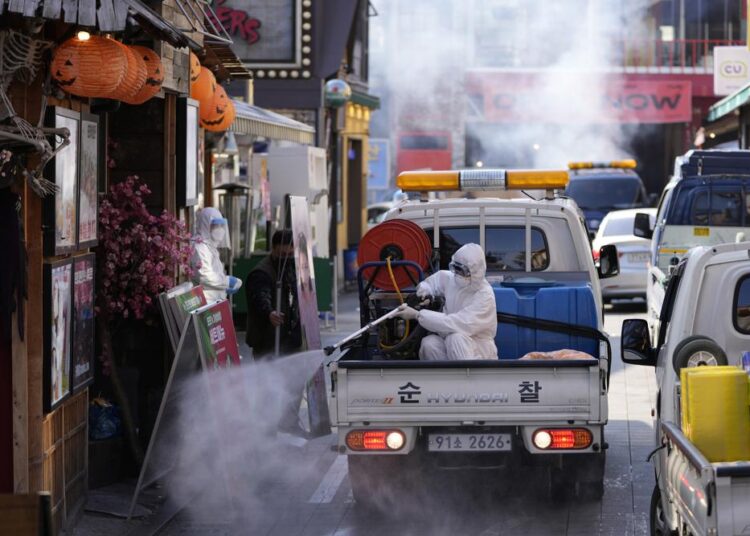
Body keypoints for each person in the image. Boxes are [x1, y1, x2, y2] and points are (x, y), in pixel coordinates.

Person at [396, 243, 498, 360]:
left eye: (462, 271)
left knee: (456, 338)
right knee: (429, 344)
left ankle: (468, 377)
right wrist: (425, 292)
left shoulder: (484, 295)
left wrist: (418, 315)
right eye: (456, 269)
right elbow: (431, 283)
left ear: (475, 272)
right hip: (450, 338)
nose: (458, 274)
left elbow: (456, 324)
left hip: (478, 348)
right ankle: (442, 378)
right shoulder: (452, 279)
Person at [245, 230, 302, 357]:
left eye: (290, 254)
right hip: (267, 340)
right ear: (273, 249)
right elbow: (260, 296)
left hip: (290, 339)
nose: (287, 257)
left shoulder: (293, 266)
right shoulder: (261, 272)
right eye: (282, 254)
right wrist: (269, 312)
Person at [191, 207, 242, 303]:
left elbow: (215, 276)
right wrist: (227, 282)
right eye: (215, 226)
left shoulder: (210, 246)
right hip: (205, 302)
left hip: (215, 301)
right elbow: (204, 276)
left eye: (221, 226)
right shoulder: (199, 246)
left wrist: (223, 287)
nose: (219, 229)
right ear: (205, 225)